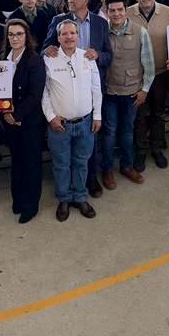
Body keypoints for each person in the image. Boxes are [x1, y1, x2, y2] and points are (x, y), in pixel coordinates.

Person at [42, 19, 102, 221]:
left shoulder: (88, 57)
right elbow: (45, 93)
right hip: (60, 126)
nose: (69, 37)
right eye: (64, 34)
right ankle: (64, 199)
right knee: (61, 164)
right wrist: (51, 117)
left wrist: (97, 115)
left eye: (72, 33)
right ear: (58, 37)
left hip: (85, 123)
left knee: (81, 162)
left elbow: (96, 89)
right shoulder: (49, 59)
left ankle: (80, 197)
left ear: (78, 36)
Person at [99, 0, 154, 188]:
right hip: (109, 93)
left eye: (120, 10)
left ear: (126, 10)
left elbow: (149, 65)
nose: (116, 14)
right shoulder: (101, 33)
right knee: (109, 132)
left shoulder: (140, 32)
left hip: (132, 93)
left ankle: (126, 166)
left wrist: (144, 90)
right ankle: (107, 169)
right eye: (112, 10)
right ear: (106, 12)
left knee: (127, 131)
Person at [2, 17, 45, 223]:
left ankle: (30, 205)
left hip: (29, 122)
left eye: (19, 34)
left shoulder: (34, 60)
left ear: (26, 36)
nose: (15, 38)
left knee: (31, 163)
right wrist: (5, 114)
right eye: (11, 34)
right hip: (8, 120)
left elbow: (35, 94)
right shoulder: (4, 59)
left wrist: (17, 116)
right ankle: (17, 199)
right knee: (17, 161)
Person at [129, 0, 169, 164]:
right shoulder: (126, 13)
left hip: (161, 73)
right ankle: (140, 151)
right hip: (137, 76)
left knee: (158, 112)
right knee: (139, 115)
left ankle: (156, 148)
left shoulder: (167, 12)